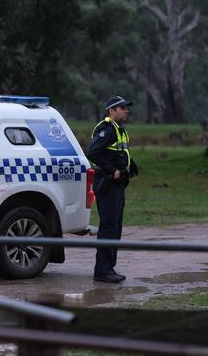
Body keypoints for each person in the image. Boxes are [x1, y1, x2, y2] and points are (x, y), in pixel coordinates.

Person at [87, 96, 138, 283]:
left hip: (117, 185)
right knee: (108, 227)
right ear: (111, 111)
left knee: (115, 226)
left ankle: (109, 267)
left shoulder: (119, 130)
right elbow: (93, 152)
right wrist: (112, 170)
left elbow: (116, 152)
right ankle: (102, 270)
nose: (126, 110)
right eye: (122, 107)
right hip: (107, 184)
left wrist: (129, 164)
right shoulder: (106, 129)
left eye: (126, 107)